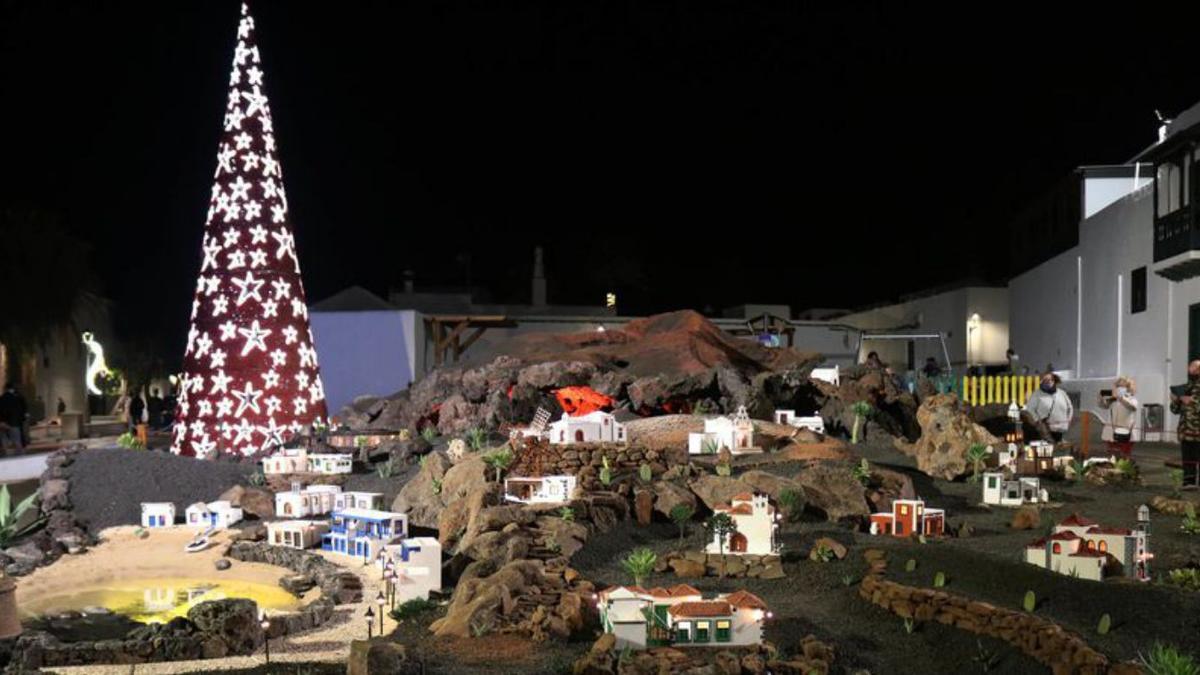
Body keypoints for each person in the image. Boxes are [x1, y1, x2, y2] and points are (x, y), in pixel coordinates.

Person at [1170, 359, 1200, 490]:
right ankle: (1189, 481)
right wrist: (1176, 400)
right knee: (1187, 458)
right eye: (1190, 368)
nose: (1191, 371)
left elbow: (1195, 405)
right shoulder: (1186, 387)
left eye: (1195, 369)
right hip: (1186, 430)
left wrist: (1189, 401)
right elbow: (1175, 410)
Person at [1024, 372, 1074, 443]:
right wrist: (1038, 421)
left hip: (1061, 430)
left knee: (1059, 449)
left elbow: (1070, 407)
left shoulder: (1062, 393)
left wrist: (1068, 420)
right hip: (1046, 431)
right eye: (1044, 380)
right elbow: (1030, 409)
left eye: (1049, 380)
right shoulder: (1037, 394)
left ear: (1054, 381)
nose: (1047, 382)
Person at [1100, 377, 1139, 458]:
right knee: (1112, 454)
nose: (1120, 388)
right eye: (1118, 386)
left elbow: (1133, 407)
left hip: (1126, 432)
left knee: (1125, 455)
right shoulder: (1113, 399)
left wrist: (1121, 398)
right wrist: (1100, 398)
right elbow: (1103, 406)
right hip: (1111, 432)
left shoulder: (1132, 399)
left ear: (1128, 387)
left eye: (1123, 386)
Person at [0, 383, 28, 451]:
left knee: (4, 440)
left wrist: (2, 421)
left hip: (3, 423)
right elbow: (19, 411)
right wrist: (22, 419)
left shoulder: (2, 398)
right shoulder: (17, 398)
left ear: (5, 389)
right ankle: (19, 457)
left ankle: (5, 456)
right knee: (17, 441)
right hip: (14, 423)